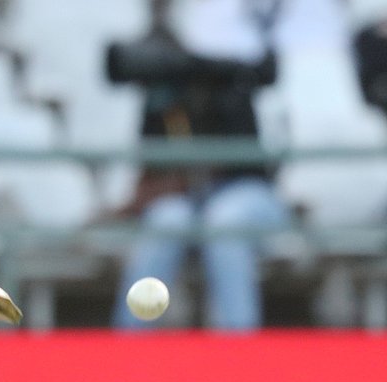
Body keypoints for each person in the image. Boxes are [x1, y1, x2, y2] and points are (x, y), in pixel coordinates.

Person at [106, 0, 291, 331]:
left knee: (225, 221)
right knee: (167, 220)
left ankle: (238, 348)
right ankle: (129, 343)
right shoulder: (163, 92)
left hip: (249, 194)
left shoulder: (239, 76)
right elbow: (151, 167)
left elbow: (247, 163)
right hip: (185, 202)